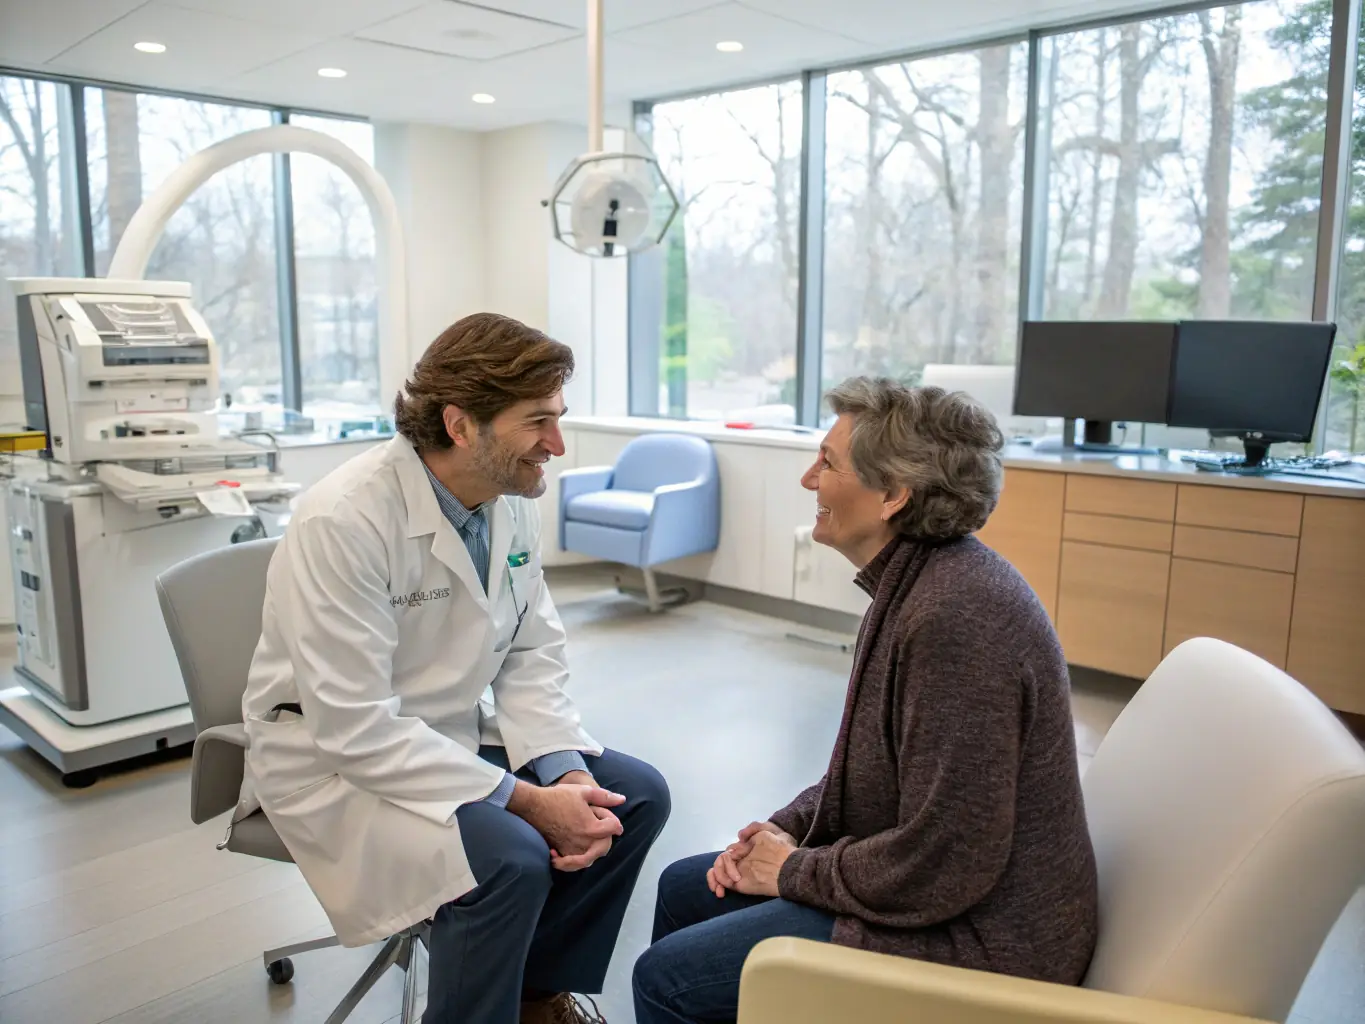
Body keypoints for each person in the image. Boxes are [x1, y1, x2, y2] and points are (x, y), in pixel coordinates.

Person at [235, 313, 670, 1024]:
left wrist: (567, 774)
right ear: (461, 425)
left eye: (557, 419)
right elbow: (353, 728)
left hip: (447, 733)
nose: (556, 447)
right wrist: (528, 802)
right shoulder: (343, 520)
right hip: (334, 759)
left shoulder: (507, 502)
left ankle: (535, 997)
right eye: (538, 423)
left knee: (634, 797)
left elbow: (531, 652)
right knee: (509, 858)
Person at [633, 377, 1098, 1024]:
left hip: (986, 940)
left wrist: (793, 871)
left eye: (825, 463)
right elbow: (873, 771)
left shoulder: (956, 619)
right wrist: (784, 828)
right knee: (686, 887)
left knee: (668, 981)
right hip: (947, 898)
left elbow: (949, 860)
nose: (806, 480)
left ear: (893, 496)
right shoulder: (922, 585)